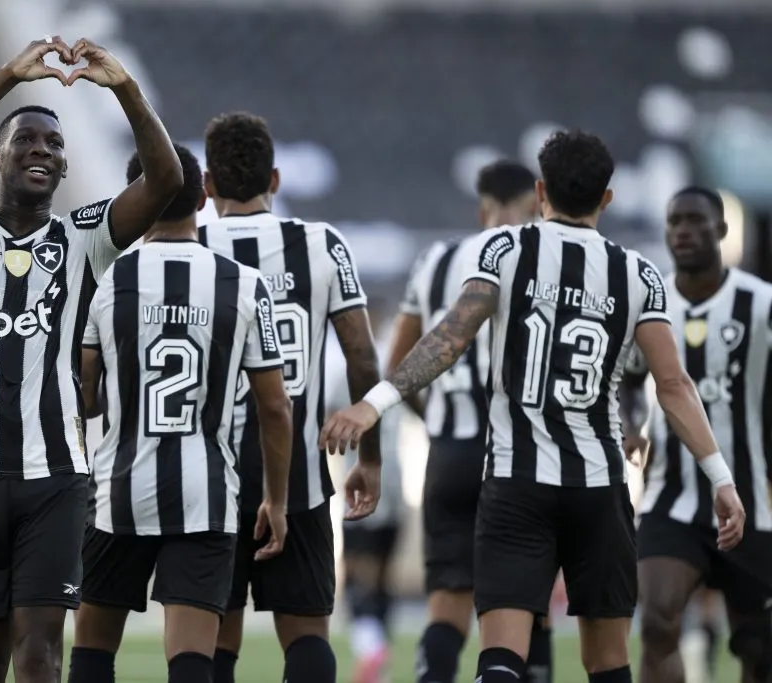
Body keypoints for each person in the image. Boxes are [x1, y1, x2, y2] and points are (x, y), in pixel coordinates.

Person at [320, 130, 748, 683]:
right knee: (607, 663)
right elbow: (674, 385)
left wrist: (373, 404)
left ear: (541, 190)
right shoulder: (639, 274)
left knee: (502, 659)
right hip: (599, 486)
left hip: (516, 484)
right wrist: (721, 478)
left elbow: (448, 338)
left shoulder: (506, 249)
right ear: (607, 198)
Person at [0, 35, 182, 683]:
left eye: (55, 146)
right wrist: (8, 76)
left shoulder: (84, 237)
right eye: (26, 140)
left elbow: (166, 179)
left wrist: (125, 89)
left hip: (56, 477)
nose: (42, 150)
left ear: (63, 171)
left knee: (40, 655)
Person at [67, 143, 293, 683]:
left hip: (118, 491)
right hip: (205, 493)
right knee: (192, 660)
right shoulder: (244, 284)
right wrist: (277, 500)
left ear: (134, 199)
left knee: (93, 651)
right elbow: (275, 408)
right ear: (203, 196)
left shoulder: (107, 280)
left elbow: (86, 397)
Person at [197, 111, 383, 683]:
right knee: (307, 637)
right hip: (300, 478)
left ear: (207, 185)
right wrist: (369, 460)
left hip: (210, 478)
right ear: (274, 180)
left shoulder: (191, 246)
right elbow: (362, 356)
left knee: (213, 642)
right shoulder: (320, 244)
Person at [388, 160, 554, 683]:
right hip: (514, 457)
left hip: (449, 453)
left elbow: (401, 364)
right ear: (536, 206)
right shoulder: (540, 258)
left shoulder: (436, 259)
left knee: (446, 608)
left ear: (482, 208)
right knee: (526, 611)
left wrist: (435, 417)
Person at [620, 186, 772, 683]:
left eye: (694, 220)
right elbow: (626, 380)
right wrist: (629, 425)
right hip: (671, 497)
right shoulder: (651, 302)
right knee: (658, 619)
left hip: (755, 498)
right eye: (674, 222)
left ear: (722, 231)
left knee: (758, 645)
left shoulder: (761, 303)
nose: (682, 231)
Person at [326, 299, 406, 683]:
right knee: (381, 579)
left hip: (363, 482)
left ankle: (372, 651)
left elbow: (326, 419)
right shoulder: (398, 363)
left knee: (357, 576)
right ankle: (381, 661)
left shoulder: (351, 367)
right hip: (396, 484)